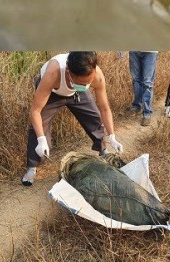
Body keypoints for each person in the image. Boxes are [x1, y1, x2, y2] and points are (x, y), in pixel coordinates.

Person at [22, 52, 123, 186]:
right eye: (82, 82)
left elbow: (104, 108)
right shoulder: (53, 72)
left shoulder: (96, 76)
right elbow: (35, 110)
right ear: (69, 72)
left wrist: (112, 136)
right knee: (39, 127)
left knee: (94, 117)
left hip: (76, 92)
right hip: (53, 92)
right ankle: (32, 167)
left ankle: (103, 150)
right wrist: (41, 139)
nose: (86, 85)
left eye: (89, 82)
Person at [126, 51, 158, 126]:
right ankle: (137, 105)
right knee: (136, 80)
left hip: (150, 50)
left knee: (147, 83)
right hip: (134, 49)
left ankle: (147, 113)